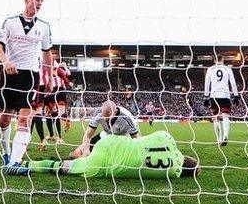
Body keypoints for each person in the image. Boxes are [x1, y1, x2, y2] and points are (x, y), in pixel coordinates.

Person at [0, 0, 54, 175]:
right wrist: (6, 61)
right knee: (5, 118)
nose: (39, 3)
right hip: (10, 74)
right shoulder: (10, 21)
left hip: (30, 75)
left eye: (42, 0)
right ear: (27, 0)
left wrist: (49, 76)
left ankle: (14, 162)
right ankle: (6, 154)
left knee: (24, 118)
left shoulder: (44, 26)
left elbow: (46, 53)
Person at [18, 131, 200, 179]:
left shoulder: (168, 138)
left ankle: (82, 151)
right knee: (61, 167)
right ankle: (27, 165)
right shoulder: (172, 173)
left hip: (111, 142)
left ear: (185, 157)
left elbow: (142, 139)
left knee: (102, 138)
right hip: (106, 167)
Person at [69, 100, 140, 159]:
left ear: (115, 112)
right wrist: (86, 149)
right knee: (75, 154)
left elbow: (136, 138)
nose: (106, 120)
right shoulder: (98, 114)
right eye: (104, 117)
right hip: (107, 134)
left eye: (108, 117)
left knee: (118, 157)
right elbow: (88, 135)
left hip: (123, 137)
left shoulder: (126, 118)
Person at [203, 55, 240, 146]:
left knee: (216, 118)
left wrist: (206, 97)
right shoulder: (228, 69)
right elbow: (233, 83)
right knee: (225, 116)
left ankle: (219, 139)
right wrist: (236, 96)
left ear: (214, 60)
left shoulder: (210, 69)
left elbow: (207, 84)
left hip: (214, 96)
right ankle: (226, 136)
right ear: (223, 60)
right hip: (225, 95)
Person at [44, 61, 73, 143]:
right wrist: (64, 66)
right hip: (62, 91)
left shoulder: (48, 69)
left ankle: (53, 135)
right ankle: (58, 135)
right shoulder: (61, 70)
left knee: (49, 114)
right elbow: (68, 74)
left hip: (52, 90)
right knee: (58, 114)